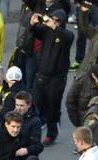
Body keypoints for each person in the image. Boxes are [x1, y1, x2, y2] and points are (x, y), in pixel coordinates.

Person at [28, 10, 73, 145]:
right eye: (53, 19)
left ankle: (51, 133)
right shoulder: (46, 32)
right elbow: (35, 31)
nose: (54, 22)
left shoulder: (67, 35)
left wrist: (54, 26)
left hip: (56, 79)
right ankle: (32, 134)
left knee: (52, 108)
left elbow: (67, 37)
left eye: (57, 20)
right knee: (34, 104)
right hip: (42, 75)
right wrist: (33, 23)